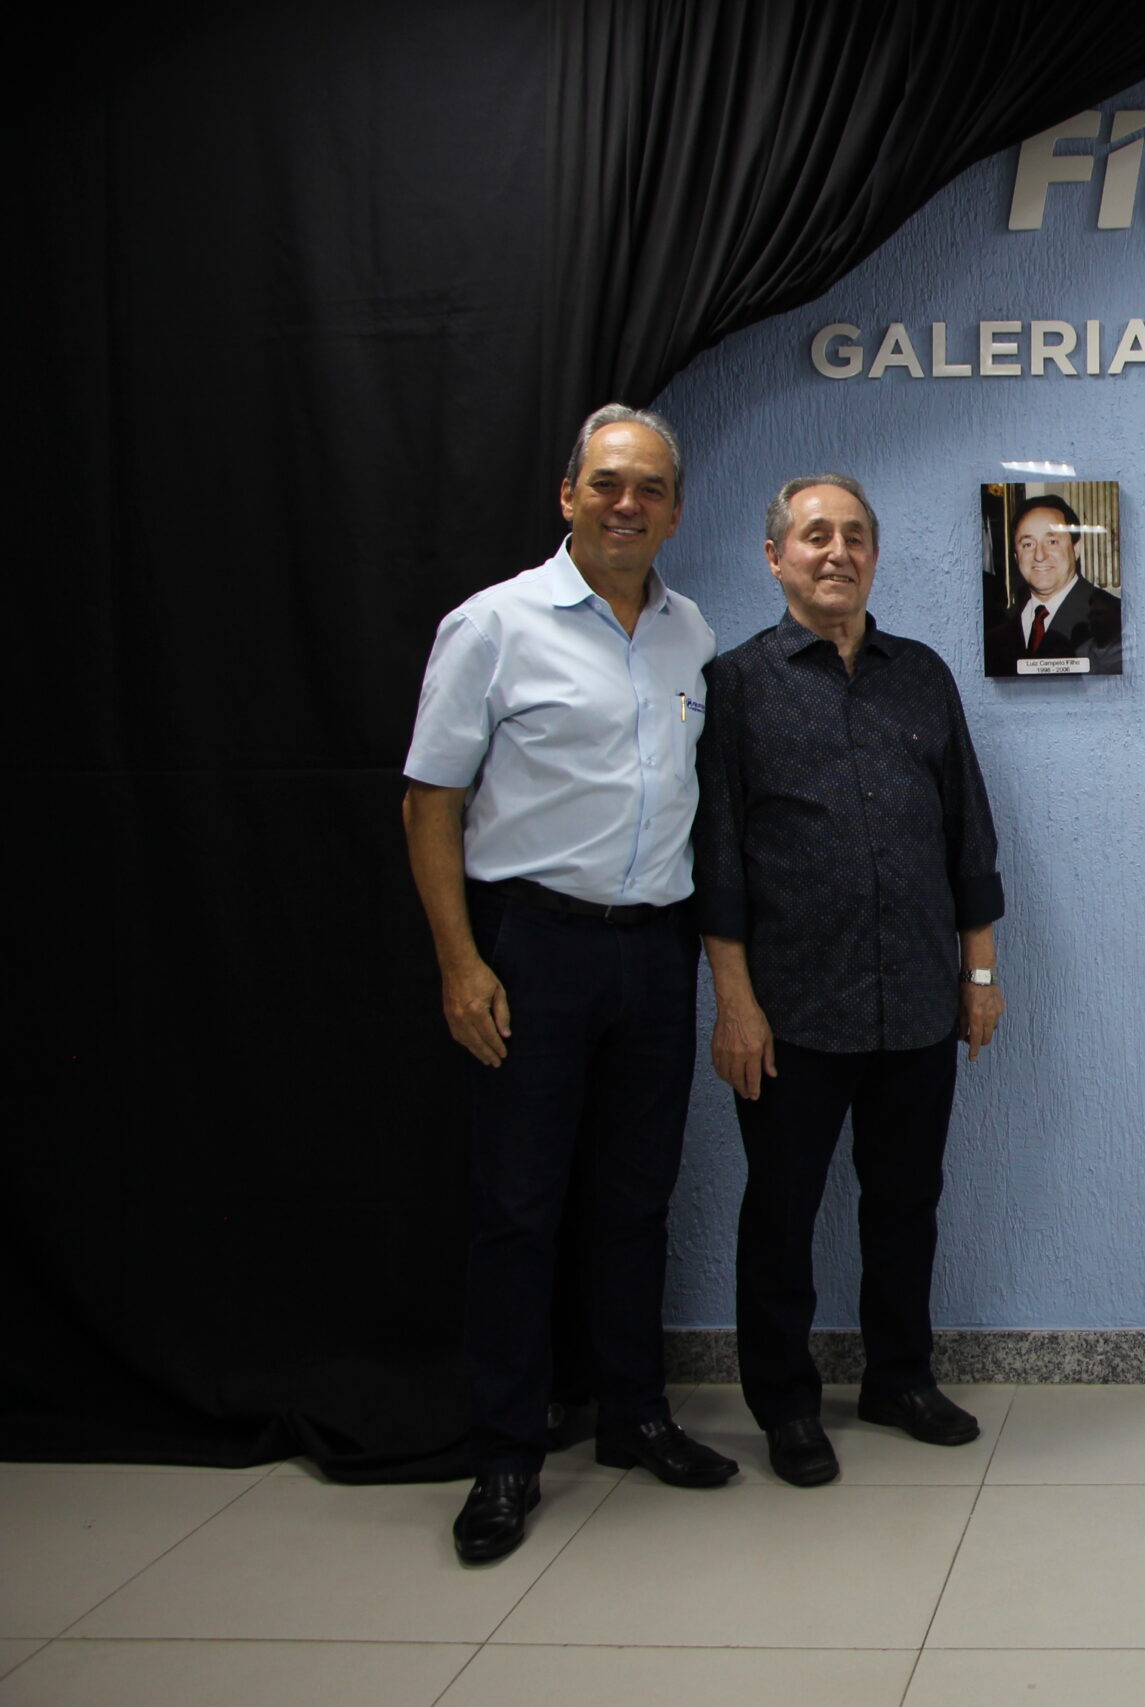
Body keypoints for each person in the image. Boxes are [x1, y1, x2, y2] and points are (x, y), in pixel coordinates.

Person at [402, 403, 735, 1566]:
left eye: (649, 488)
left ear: (676, 512)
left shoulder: (692, 632)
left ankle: (634, 1413)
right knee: (518, 1208)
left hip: (655, 952)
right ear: (568, 496)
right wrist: (460, 964)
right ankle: (504, 1452)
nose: (626, 504)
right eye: (606, 483)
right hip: (531, 949)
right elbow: (429, 801)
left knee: (636, 1199)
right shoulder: (493, 625)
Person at [694, 474, 1007, 1488]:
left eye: (856, 536)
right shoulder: (737, 685)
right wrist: (734, 1003)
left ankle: (899, 1378)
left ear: (875, 555)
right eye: (816, 535)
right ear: (775, 556)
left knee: (906, 1203)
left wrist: (979, 971)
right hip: (789, 1010)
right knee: (780, 1214)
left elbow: (968, 835)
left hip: (916, 999)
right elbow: (719, 862)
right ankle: (785, 1404)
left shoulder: (922, 675)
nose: (838, 552)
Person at [986, 493, 1121, 675]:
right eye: (1028, 544)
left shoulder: (1114, 620)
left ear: (1076, 548)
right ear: (1016, 557)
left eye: (1052, 542)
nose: (1039, 555)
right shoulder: (996, 630)